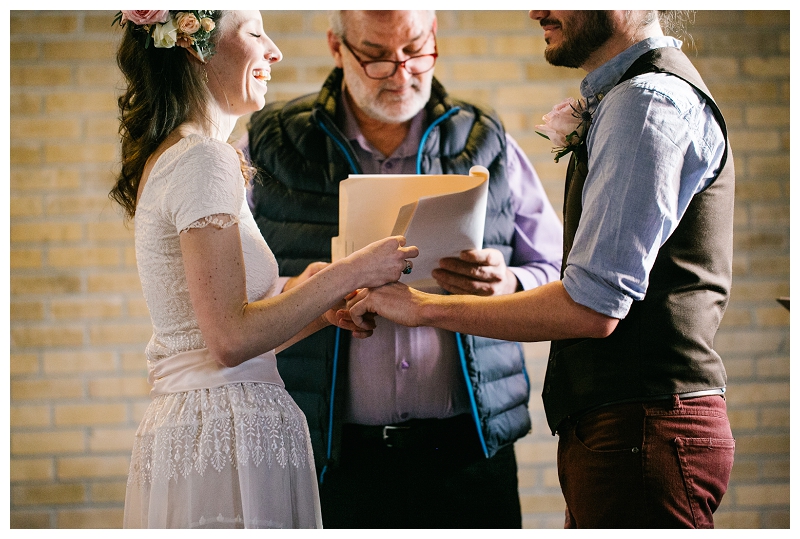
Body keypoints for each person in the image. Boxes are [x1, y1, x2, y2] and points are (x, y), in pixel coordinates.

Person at [349, 10, 736, 529]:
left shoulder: (646, 103)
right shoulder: (629, 98)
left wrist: (424, 307)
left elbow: (591, 306)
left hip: (644, 426)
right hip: (627, 426)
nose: (535, 8)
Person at [241, 10, 563, 529]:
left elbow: (555, 269)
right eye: (375, 57)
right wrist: (301, 291)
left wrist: (508, 283)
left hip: (468, 454)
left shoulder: (484, 136)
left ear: (434, 35)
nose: (400, 72)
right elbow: (224, 291)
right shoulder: (272, 143)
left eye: (415, 50)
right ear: (336, 46)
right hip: (326, 455)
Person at [110, 10, 417, 529]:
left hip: (214, 423)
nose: (274, 51)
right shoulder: (201, 159)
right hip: (223, 434)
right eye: (254, 33)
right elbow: (230, 339)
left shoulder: (189, 155)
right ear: (195, 45)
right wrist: (356, 269)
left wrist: (322, 304)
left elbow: (214, 339)